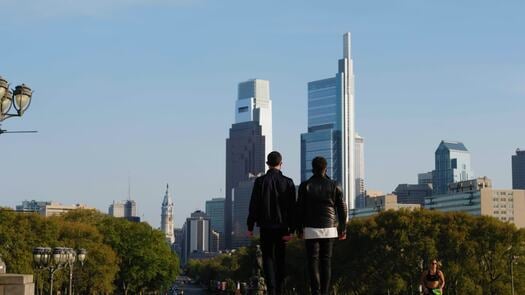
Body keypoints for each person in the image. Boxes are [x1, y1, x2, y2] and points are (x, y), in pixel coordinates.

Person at [247, 151, 296, 295]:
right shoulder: (289, 182)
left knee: (267, 258)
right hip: (283, 228)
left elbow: (253, 205)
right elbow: (293, 208)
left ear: (267, 164)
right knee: (280, 259)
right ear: (281, 164)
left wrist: (250, 226)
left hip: (266, 227)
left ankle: (272, 289)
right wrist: (292, 229)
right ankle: (280, 289)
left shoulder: (260, 182)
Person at [296, 156, 348, 295]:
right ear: (326, 168)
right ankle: (324, 292)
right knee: (326, 261)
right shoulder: (335, 185)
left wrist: (299, 228)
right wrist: (343, 227)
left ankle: (316, 292)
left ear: (312, 169)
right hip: (330, 228)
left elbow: (299, 209)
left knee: (312, 261)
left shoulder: (305, 185)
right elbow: (342, 207)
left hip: (310, 228)